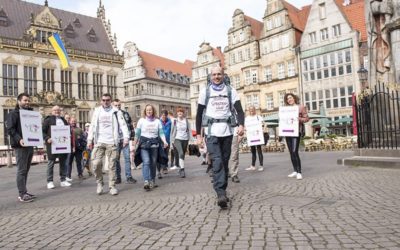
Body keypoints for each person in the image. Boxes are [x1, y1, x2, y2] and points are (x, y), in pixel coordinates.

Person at [196, 66, 245, 209]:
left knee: (224, 161)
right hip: (211, 132)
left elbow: (239, 110)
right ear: (210, 77)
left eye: (219, 74)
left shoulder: (231, 91)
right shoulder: (205, 92)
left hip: (228, 132)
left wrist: (241, 125)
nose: (216, 77)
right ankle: (221, 193)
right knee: (217, 161)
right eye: (214, 75)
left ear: (223, 75)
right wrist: (198, 135)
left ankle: (222, 189)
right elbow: (199, 114)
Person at [87, 93, 130, 195]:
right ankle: (100, 183)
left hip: (112, 142)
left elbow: (123, 125)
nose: (105, 102)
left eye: (107, 100)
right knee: (96, 163)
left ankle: (112, 186)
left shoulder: (116, 111)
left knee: (112, 166)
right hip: (99, 141)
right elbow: (92, 126)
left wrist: (126, 137)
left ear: (110, 101)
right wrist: (89, 140)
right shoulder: (97, 111)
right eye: (103, 100)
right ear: (101, 101)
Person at [6, 93, 36, 202]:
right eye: (25, 100)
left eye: (28, 100)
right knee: (21, 170)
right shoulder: (13, 114)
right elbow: (10, 129)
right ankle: (22, 194)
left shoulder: (31, 113)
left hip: (30, 144)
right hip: (20, 145)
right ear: (19, 101)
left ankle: (24, 191)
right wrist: (20, 139)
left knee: (26, 170)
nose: (27, 102)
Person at [134, 104, 168, 190]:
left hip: (154, 145)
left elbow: (161, 133)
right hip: (144, 144)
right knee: (146, 161)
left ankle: (152, 180)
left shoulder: (157, 121)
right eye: (147, 110)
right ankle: (146, 181)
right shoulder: (141, 121)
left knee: (153, 163)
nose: (149, 111)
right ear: (145, 111)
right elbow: (137, 133)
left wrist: (164, 141)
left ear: (153, 111)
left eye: (150, 110)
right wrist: (135, 141)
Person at [43, 105, 72, 189]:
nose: (57, 111)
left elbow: (68, 130)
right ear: (52, 111)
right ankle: (50, 181)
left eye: (58, 110)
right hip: (52, 144)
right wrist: (47, 138)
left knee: (63, 163)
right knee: (51, 163)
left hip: (63, 144)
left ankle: (63, 180)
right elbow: (43, 131)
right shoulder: (48, 120)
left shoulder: (63, 120)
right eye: (55, 110)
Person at [284, 93, 309, 180]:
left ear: (294, 98)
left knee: (295, 151)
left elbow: (306, 118)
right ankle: (295, 170)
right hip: (287, 132)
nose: (289, 99)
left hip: (296, 131)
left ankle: (299, 172)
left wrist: (300, 119)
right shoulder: (286, 109)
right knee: (291, 152)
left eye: (290, 98)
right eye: (287, 99)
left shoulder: (300, 107)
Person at [112, 99, 137, 184]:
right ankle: (118, 177)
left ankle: (129, 177)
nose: (118, 107)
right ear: (113, 105)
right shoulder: (111, 114)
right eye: (116, 105)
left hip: (125, 139)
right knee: (116, 159)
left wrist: (132, 138)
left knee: (127, 158)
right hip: (115, 140)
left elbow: (130, 126)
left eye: (119, 105)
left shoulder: (125, 113)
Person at [170, 107, 192, 178]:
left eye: (181, 112)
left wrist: (191, 139)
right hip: (177, 139)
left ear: (183, 113)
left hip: (185, 139)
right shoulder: (175, 121)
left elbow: (189, 130)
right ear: (177, 113)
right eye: (178, 112)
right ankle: (182, 170)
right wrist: (171, 142)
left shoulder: (186, 121)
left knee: (182, 155)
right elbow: (172, 132)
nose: (180, 113)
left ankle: (180, 168)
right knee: (181, 153)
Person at [245, 106, 265, 172]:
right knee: (253, 151)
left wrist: (262, 129)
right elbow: (245, 127)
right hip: (251, 136)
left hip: (258, 136)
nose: (251, 111)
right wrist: (245, 132)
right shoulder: (247, 118)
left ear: (255, 110)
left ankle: (261, 165)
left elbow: (264, 124)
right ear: (249, 111)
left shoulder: (259, 117)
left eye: (252, 110)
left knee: (259, 150)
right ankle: (253, 166)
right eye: (250, 110)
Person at [159, 110, 171, 178]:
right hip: (161, 141)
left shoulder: (170, 122)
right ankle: (164, 168)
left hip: (168, 141)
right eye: (162, 115)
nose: (163, 117)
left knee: (166, 154)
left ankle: (165, 165)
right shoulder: (159, 122)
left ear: (167, 116)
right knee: (162, 154)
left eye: (165, 115)